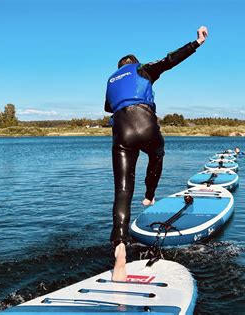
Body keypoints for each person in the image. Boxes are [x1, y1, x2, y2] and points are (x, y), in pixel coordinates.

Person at [105, 26, 208, 281]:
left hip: (121, 133)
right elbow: (170, 60)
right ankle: (149, 196)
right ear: (134, 63)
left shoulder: (110, 80)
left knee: (122, 191)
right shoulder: (142, 69)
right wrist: (197, 43)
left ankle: (120, 247)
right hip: (146, 125)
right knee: (157, 154)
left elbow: (111, 108)